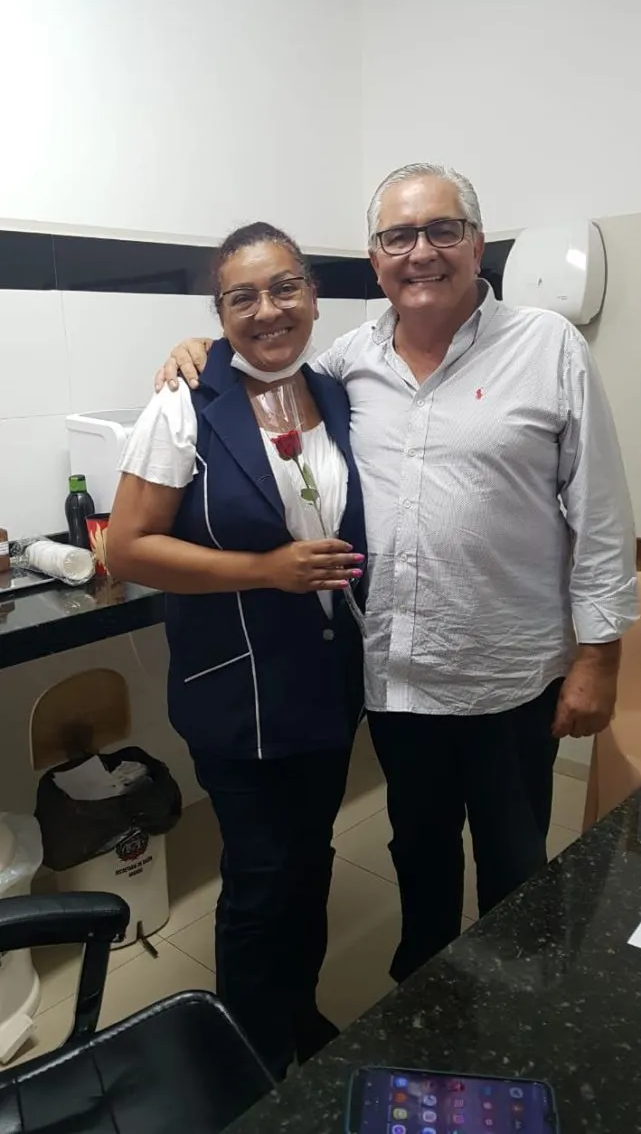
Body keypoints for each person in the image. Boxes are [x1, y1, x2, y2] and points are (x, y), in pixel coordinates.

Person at [155, 164, 639, 983]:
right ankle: (429, 995)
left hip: (509, 675)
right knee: (418, 850)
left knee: (515, 860)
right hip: (398, 677)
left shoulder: (547, 346)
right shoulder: (346, 363)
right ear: (374, 259)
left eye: (442, 230)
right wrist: (199, 352)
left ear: (476, 244)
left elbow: (599, 512)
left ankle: (521, 1009)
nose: (420, 252)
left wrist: (599, 656)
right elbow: (263, 367)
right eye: (397, 236)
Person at [107, 222, 367, 1078]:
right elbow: (128, 549)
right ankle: (248, 1062)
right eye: (241, 297)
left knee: (312, 858)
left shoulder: (334, 394)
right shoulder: (184, 404)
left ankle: (298, 1011)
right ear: (218, 314)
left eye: (284, 287)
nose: (267, 310)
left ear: (312, 296)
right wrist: (265, 570)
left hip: (325, 685)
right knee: (260, 877)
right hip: (237, 693)